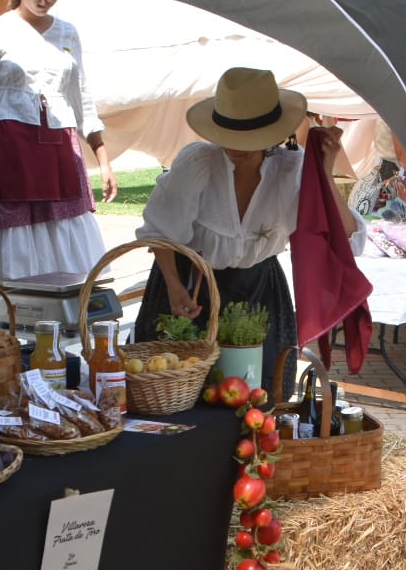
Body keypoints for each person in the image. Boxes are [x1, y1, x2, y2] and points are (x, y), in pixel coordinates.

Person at [132, 68, 360, 397]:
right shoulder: (197, 164)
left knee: (257, 393)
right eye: (229, 137)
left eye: (249, 140)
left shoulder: (291, 171)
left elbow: (346, 232)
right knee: (177, 390)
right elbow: (162, 233)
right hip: (189, 287)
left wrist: (323, 170)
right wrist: (174, 286)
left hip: (258, 292)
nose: (237, 148)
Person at [0, 0, 115, 281]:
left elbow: (80, 97)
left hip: (60, 150)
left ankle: (65, 318)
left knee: (69, 254)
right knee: (13, 257)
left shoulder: (67, 32)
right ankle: (12, 319)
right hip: (10, 151)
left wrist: (104, 159)